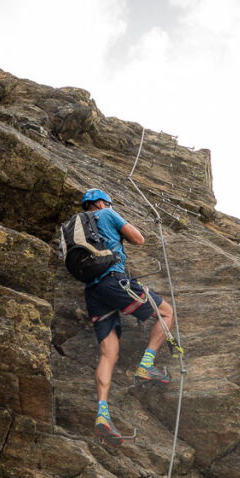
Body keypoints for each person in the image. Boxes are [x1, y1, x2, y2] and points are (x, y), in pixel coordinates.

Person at [80, 188, 174, 444]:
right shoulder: (107, 213)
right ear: (100, 202)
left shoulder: (75, 226)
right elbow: (138, 238)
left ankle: (102, 412)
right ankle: (146, 365)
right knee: (166, 312)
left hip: (93, 293)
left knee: (108, 353)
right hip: (115, 282)